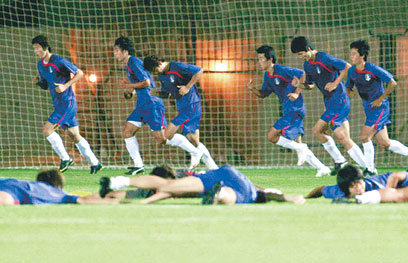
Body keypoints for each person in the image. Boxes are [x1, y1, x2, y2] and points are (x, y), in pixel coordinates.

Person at [113, 37, 203, 175]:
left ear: (125, 51)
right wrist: (130, 92)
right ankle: (139, 165)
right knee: (127, 131)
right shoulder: (128, 65)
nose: (115, 53)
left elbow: (147, 82)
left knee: (162, 138)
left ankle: (195, 152)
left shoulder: (135, 62)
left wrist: (129, 85)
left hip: (152, 104)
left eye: (116, 50)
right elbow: (138, 83)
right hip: (142, 105)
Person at [290, 36, 370, 175]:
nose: (301, 57)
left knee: (324, 132)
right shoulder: (307, 65)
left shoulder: (324, 58)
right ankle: (346, 163)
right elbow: (311, 85)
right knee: (337, 136)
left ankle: (367, 168)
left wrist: (335, 83)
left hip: (339, 100)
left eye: (301, 54)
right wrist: (300, 85)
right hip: (330, 103)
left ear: (308, 49)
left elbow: (347, 67)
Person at [247, 45, 330, 177]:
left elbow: (302, 75)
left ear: (270, 59)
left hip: (295, 110)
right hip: (288, 111)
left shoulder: (282, 70)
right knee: (298, 144)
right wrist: (253, 89)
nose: (259, 62)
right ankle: (322, 168)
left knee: (271, 135)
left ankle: (302, 149)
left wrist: (296, 93)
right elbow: (263, 94)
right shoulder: (268, 76)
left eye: (261, 59)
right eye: (258, 59)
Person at [346, 40, 408, 173]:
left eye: (354, 54)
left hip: (380, 108)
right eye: (350, 54)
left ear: (362, 56)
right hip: (368, 108)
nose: (351, 56)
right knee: (384, 143)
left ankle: (370, 169)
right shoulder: (352, 71)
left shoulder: (372, 68)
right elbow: (349, 86)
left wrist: (381, 99)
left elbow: (392, 83)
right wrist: (350, 92)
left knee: (365, 137)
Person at [32, 35, 102, 174]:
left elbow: (79, 73)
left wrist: (65, 86)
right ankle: (95, 163)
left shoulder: (58, 61)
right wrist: (39, 83)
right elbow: (47, 85)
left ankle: (65, 158)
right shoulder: (40, 65)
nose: (35, 51)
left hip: (67, 102)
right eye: (34, 48)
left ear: (45, 48)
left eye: (38, 48)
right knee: (74, 135)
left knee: (47, 130)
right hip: (58, 104)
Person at [143, 55, 218, 170]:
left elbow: (199, 70)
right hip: (183, 106)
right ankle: (214, 169)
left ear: (158, 63)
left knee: (167, 135)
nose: (155, 72)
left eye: (155, 69)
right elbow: (167, 94)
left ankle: (195, 153)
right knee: (194, 140)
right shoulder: (162, 76)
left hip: (191, 104)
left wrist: (188, 87)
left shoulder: (177, 66)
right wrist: (156, 93)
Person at [99, 165, 305, 205]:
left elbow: (166, 192)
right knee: (229, 197)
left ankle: (116, 181)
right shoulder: (252, 193)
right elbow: (271, 194)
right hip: (232, 179)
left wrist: (147, 201)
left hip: (221, 176)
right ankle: (219, 194)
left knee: (168, 185)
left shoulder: (250, 194)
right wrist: (290, 198)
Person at [306, 163, 408, 200]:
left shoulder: (379, 185)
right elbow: (320, 189)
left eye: (359, 183)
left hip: (407, 180)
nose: (358, 188)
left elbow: (396, 177)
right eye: (353, 186)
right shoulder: (338, 191)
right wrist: (306, 198)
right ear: (346, 188)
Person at [0, 169, 115, 205]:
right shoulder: (57, 194)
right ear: (58, 186)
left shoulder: (16, 182)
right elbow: (84, 200)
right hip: (11, 196)